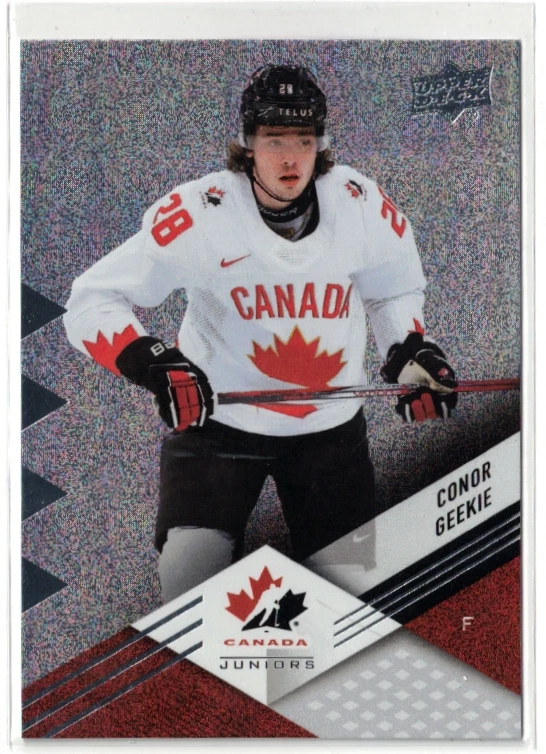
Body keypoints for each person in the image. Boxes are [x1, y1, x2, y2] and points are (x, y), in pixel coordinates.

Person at [64, 64, 457, 603]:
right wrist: (155, 363)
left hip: (330, 429)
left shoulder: (359, 202)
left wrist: (410, 351)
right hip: (218, 427)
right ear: (248, 145)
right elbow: (90, 300)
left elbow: (393, 291)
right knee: (188, 582)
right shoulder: (201, 211)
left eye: (304, 140)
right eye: (274, 140)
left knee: (352, 602)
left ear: (321, 144)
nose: (291, 158)